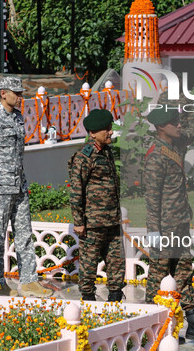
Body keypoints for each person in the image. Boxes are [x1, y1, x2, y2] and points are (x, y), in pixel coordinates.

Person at [144, 107, 194, 345]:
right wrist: (153, 230)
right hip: (164, 226)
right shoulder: (155, 156)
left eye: (178, 121)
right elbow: (151, 197)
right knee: (158, 277)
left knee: (184, 273)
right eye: (173, 123)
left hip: (179, 222)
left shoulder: (176, 144)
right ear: (161, 127)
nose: (179, 126)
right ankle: (151, 326)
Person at [0, 76, 52, 298]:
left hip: (19, 186)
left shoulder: (19, 118)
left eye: (21, 93)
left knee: (24, 234)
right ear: (3, 93)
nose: (20, 97)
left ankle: (29, 281)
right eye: (16, 93)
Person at [68, 109, 125, 302]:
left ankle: (116, 298)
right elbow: (76, 191)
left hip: (112, 220)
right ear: (92, 133)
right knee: (89, 264)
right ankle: (88, 300)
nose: (110, 132)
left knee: (116, 261)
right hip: (93, 222)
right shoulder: (84, 157)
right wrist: (79, 222)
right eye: (106, 129)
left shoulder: (107, 152)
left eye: (110, 128)